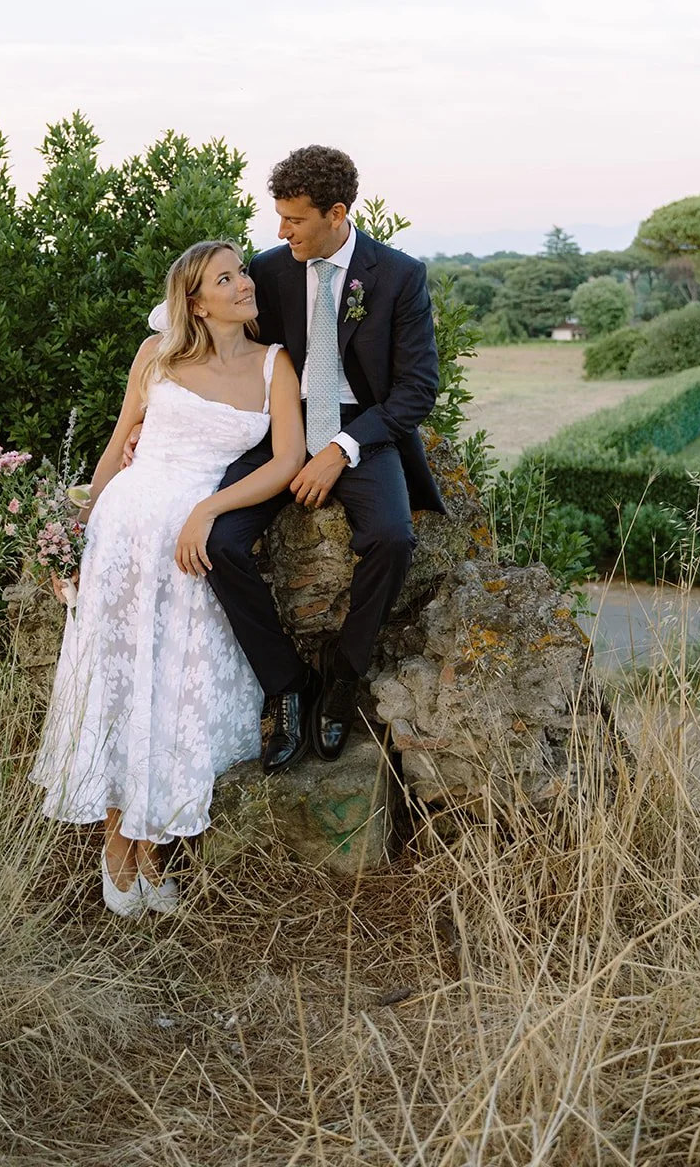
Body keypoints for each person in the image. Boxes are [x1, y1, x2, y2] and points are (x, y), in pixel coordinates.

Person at [30, 240, 305, 917]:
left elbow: (288, 459)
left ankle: (151, 846)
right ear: (194, 299)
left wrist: (210, 507)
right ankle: (116, 852)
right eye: (226, 277)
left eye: (242, 272)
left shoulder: (274, 364)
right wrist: (74, 537)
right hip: (123, 536)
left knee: (174, 693)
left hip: (189, 545)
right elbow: (117, 442)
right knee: (119, 687)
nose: (243, 283)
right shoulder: (155, 356)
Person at [205, 145, 444, 772]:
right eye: (278, 218)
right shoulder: (270, 270)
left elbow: (416, 390)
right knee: (221, 541)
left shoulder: (397, 275)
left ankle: (341, 679)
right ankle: (288, 684)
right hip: (279, 429)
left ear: (337, 214)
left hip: (361, 435)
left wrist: (341, 448)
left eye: (294, 220)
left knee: (392, 539)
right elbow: (219, 347)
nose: (280, 232)